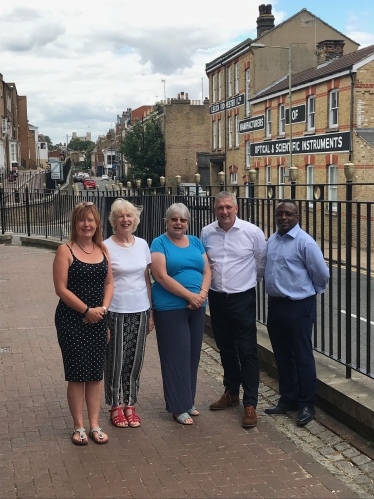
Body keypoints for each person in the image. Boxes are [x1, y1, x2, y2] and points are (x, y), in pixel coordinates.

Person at [200, 191, 267, 428]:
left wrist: (247, 282)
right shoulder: (207, 233)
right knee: (226, 347)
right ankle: (231, 392)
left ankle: (250, 404)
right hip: (217, 298)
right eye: (220, 207)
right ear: (215, 209)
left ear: (236, 208)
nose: (224, 211)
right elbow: (206, 264)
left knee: (247, 351)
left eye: (228, 207)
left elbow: (261, 263)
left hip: (243, 298)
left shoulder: (252, 232)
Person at [53, 201, 114, 445]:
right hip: (71, 320)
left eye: (90, 220)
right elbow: (60, 289)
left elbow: (109, 283)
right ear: (74, 224)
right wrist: (86, 310)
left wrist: (102, 310)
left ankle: (95, 424)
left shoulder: (103, 250)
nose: (86, 224)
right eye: (82, 220)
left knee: (95, 375)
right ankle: (78, 426)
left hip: (98, 318)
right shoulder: (65, 251)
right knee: (77, 374)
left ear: (97, 224)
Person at [264, 200, 330, 426]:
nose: (283, 217)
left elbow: (321, 273)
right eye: (280, 214)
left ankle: (306, 403)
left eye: (288, 214)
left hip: (299, 305)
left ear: (297, 216)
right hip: (276, 305)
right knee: (282, 354)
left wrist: (312, 292)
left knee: (302, 355)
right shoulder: (272, 240)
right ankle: (288, 398)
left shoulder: (305, 242)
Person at [150, 203, 211, 425]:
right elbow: (161, 276)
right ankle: (177, 406)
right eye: (174, 219)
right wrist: (190, 296)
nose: (178, 223)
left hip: (197, 305)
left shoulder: (195, 242)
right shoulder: (159, 243)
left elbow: (207, 270)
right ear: (167, 221)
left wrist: (202, 293)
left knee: (193, 354)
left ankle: (188, 400)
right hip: (170, 307)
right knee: (176, 355)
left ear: (187, 223)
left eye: (183, 220)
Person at [104, 199, 154, 428]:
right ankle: (115, 405)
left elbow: (146, 278)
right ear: (114, 220)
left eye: (129, 216)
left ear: (135, 219)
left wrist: (151, 312)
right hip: (116, 310)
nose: (125, 220)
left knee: (135, 361)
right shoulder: (105, 246)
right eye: (120, 216)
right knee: (116, 361)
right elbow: (103, 283)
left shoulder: (143, 244)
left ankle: (130, 404)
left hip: (140, 310)